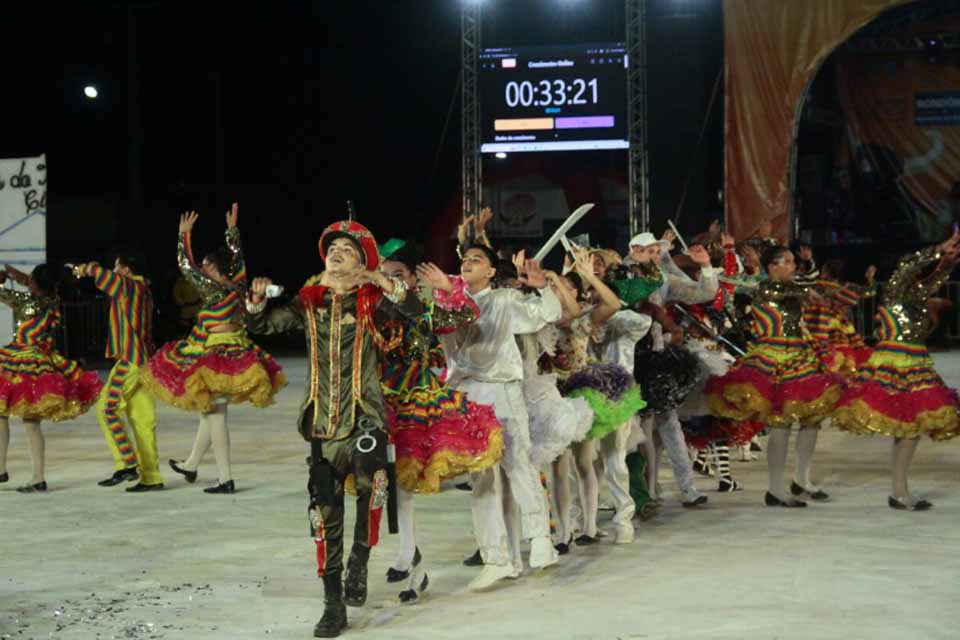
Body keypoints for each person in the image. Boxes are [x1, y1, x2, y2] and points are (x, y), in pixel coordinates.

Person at [246, 220, 425, 638]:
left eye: (347, 248)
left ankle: (360, 561)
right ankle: (332, 603)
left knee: (371, 483)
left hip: (365, 413)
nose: (337, 252)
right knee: (324, 513)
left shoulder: (374, 299)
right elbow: (264, 326)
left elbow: (413, 310)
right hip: (323, 421)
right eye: (333, 248)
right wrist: (255, 305)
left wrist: (378, 278)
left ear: (362, 262)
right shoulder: (310, 301)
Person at [377, 242, 504, 603]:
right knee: (387, 485)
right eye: (384, 276)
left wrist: (448, 290)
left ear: (413, 280)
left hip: (417, 402)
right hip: (377, 400)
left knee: (404, 484)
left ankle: (411, 563)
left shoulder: (422, 308)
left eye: (397, 275)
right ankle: (409, 558)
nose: (390, 282)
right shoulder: (371, 309)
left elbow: (465, 315)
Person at [439, 244, 562, 590]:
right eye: (464, 259)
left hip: (502, 390)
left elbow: (547, 314)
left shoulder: (505, 299)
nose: (468, 263)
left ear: (492, 272)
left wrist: (543, 287)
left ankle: (541, 540)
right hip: (467, 395)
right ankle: (496, 558)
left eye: (477, 260)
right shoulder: (449, 302)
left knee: (518, 464)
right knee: (481, 479)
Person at [143, 204, 286, 495]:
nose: (204, 269)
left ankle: (225, 478)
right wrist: (232, 231)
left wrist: (184, 236)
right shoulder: (238, 284)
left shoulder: (214, 289)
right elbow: (238, 257)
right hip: (233, 353)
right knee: (208, 412)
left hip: (220, 356)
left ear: (215, 270)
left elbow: (186, 266)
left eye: (208, 265)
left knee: (215, 415)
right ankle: (192, 464)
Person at [707, 246, 842, 507]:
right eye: (788, 262)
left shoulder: (792, 288)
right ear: (772, 266)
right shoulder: (765, 288)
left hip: (799, 356)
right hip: (772, 359)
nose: (793, 267)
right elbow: (795, 289)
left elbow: (811, 283)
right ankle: (775, 488)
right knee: (780, 422)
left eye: (793, 262)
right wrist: (810, 291)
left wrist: (813, 282)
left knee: (811, 420)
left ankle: (801, 479)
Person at [834, 233, 960, 510]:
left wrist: (948, 264)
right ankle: (899, 491)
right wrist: (938, 250)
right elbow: (908, 266)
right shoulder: (894, 290)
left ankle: (900, 491)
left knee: (911, 428)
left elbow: (930, 282)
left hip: (916, 363)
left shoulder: (914, 296)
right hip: (894, 363)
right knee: (908, 427)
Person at [0, 264, 101, 492]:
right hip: (39, 361)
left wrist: (3, 280)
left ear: (36, 284)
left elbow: (5, 294)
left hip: (23, 361)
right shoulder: (52, 299)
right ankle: (34, 476)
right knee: (27, 421)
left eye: (31, 280)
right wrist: (21, 277)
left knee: (13, 417)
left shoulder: (28, 302)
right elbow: (36, 287)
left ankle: (7, 471)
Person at [72, 251, 163, 491]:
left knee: (106, 408)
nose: (114, 271)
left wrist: (83, 268)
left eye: (117, 267)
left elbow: (98, 273)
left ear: (125, 269)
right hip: (145, 361)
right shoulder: (145, 289)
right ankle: (151, 477)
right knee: (143, 420)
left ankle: (126, 464)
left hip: (131, 359)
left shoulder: (129, 287)